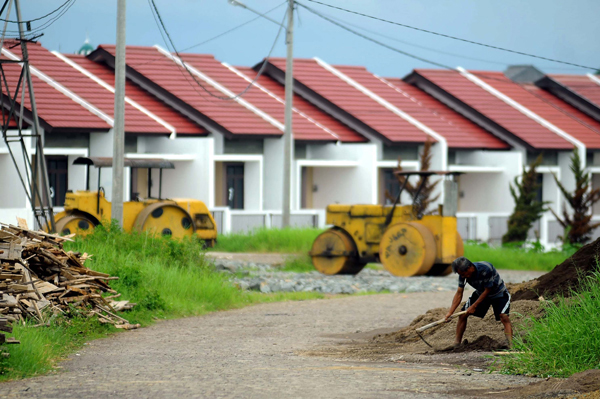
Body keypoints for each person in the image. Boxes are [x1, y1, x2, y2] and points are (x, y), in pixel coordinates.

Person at [445, 257, 513, 347]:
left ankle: (511, 345)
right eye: (460, 274)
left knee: (504, 317)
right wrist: (450, 312)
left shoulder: (485, 268)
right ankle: (457, 344)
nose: (462, 276)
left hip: (498, 293)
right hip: (480, 292)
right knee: (462, 315)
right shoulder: (462, 275)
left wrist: (474, 306)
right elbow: (459, 293)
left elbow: (488, 290)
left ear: (470, 268)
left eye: (463, 274)